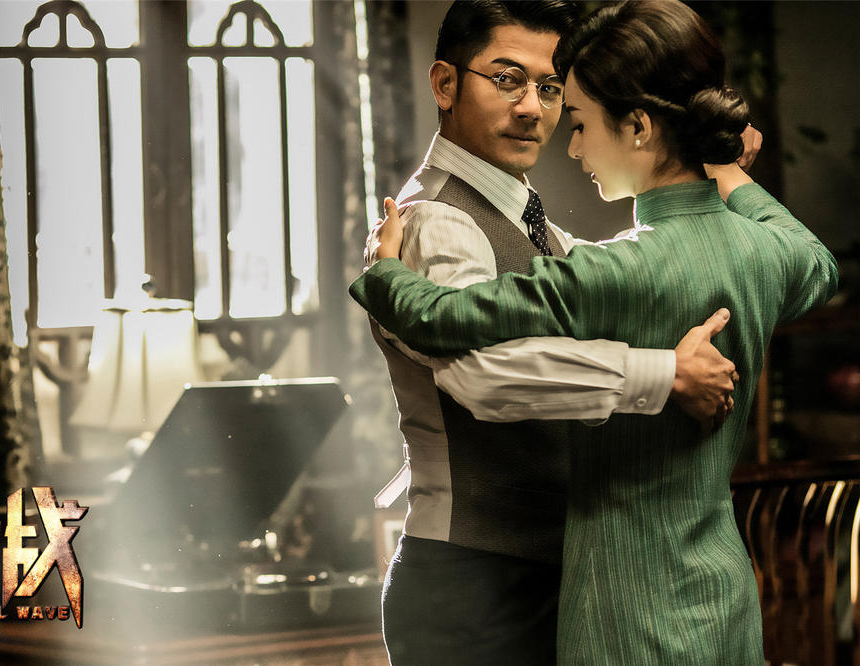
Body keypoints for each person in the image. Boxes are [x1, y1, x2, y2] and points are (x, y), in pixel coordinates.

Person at [351, 1, 839, 663]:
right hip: (477, 580)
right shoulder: (434, 218)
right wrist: (666, 374)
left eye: (553, 90)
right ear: (445, 83)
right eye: (507, 79)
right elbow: (481, 375)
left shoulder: (551, 232)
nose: (535, 109)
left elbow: (631, 275)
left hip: (573, 580)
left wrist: (707, 157)